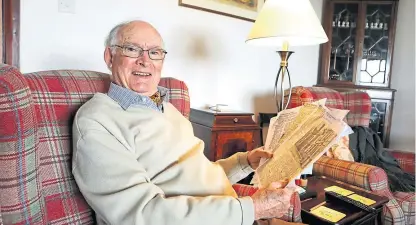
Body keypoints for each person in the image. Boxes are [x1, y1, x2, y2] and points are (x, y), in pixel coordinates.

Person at [72, 20, 298, 225]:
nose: (145, 61)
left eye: (155, 52)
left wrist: (246, 162)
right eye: (132, 49)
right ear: (110, 57)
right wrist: (254, 209)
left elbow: (193, 179)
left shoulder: (166, 109)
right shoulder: (97, 121)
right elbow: (139, 214)